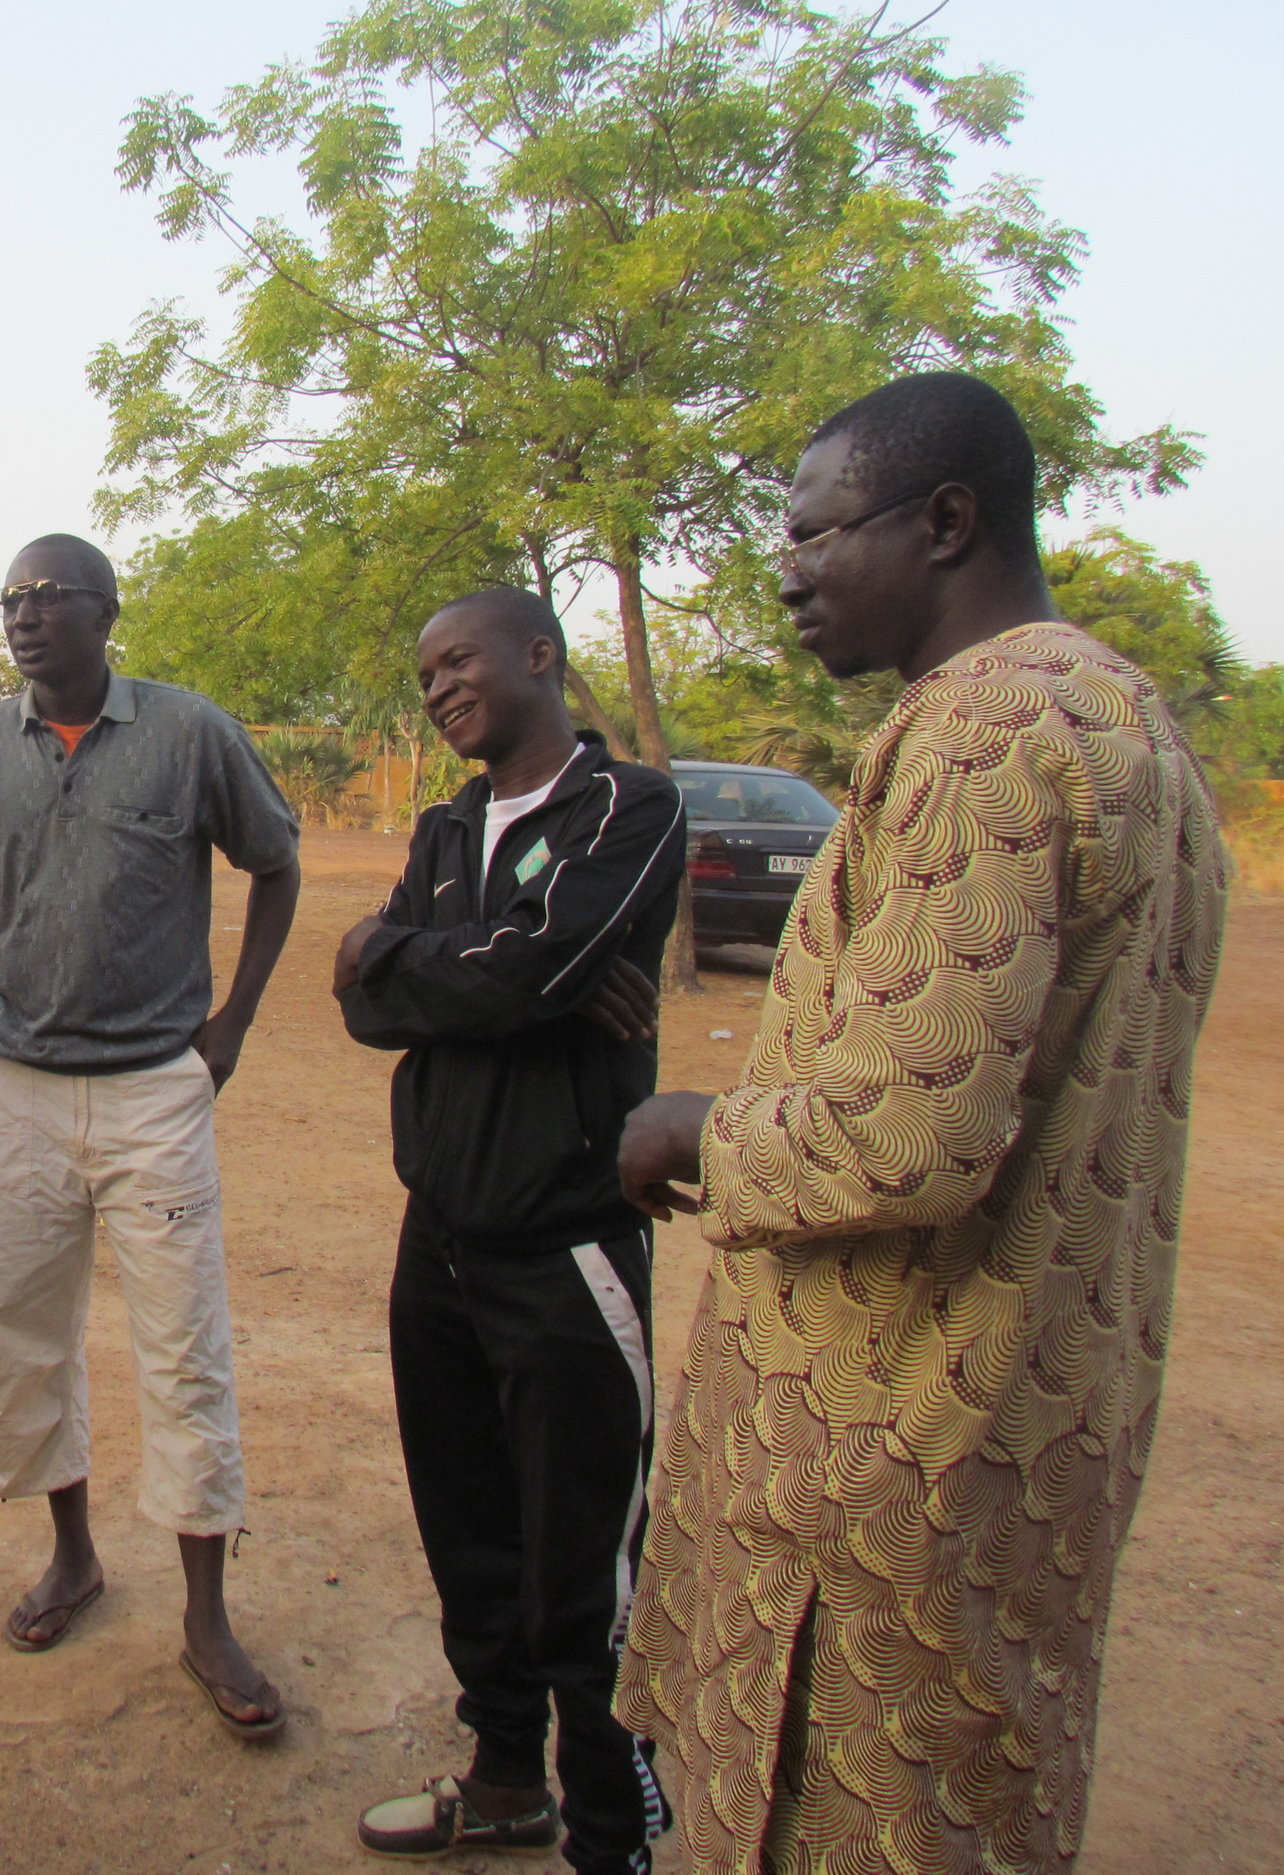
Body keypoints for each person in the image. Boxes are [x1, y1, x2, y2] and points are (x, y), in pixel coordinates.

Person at [614, 373, 1229, 1875]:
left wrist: (692, 1130)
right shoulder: (1134, 723)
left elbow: (909, 1132)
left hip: (887, 1462)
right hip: (1025, 1432)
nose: (787, 571)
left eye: (818, 533)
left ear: (945, 520)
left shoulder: (982, 729)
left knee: (819, 1815)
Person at [0, 532, 302, 1739]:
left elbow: (275, 864)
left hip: (153, 1091)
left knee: (182, 1342)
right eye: (11, 599)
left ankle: (204, 1614)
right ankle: (73, 1557)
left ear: (106, 610)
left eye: (51, 596)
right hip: (22, 1088)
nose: (27, 617)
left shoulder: (188, 734)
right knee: (26, 1336)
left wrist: (231, 1020)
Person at [332, 588, 684, 1872]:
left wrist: (411, 957)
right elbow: (375, 1006)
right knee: (467, 1535)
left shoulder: (625, 808)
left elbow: (537, 964)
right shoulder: (441, 825)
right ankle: (501, 1782)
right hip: (439, 1244)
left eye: (458, 660)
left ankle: (609, 1838)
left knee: (581, 1573)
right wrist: (459, 969)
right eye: (424, 673)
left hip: (568, 1250)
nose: (437, 687)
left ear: (539, 655)